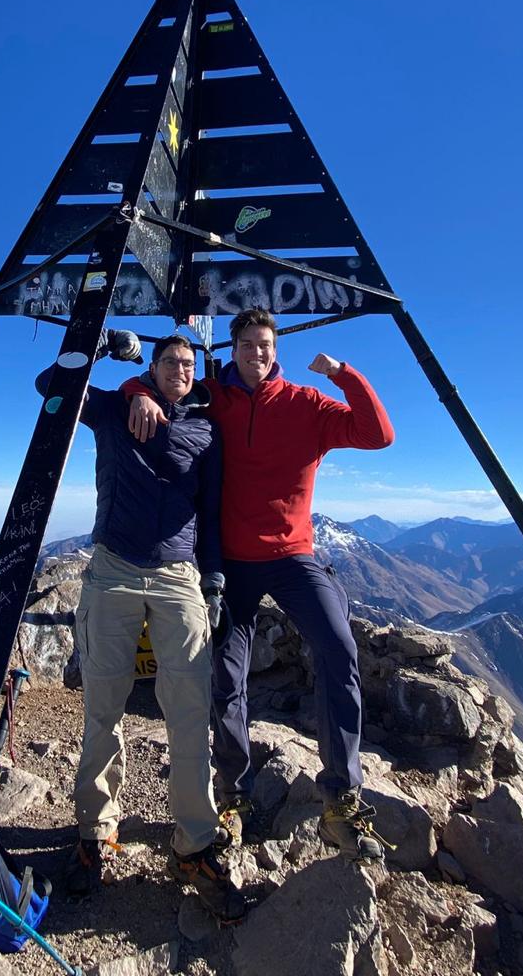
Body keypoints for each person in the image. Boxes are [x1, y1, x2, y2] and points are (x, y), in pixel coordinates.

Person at [126, 308, 395, 862]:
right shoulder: (212, 396)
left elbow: (378, 434)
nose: (258, 353)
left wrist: (343, 373)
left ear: (277, 350)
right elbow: (163, 379)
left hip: (294, 557)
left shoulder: (306, 405)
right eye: (248, 344)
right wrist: (137, 392)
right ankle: (234, 796)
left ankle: (342, 799)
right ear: (235, 347)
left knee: (340, 648)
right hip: (231, 564)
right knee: (227, 676)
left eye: (266, 345)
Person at [40, 330, 245, 922]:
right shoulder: (112, 407)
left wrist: (213, 579)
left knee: (188, 713)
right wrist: (107, 353)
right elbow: (49, 385)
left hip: (179, 575)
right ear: (152, 367)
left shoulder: (206, 432)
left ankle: (195, 846)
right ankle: (94, 834)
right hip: (112, 570)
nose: (181, 369)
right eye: (169, 362)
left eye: (188, 363)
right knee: (101, 706)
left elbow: (209, 512)